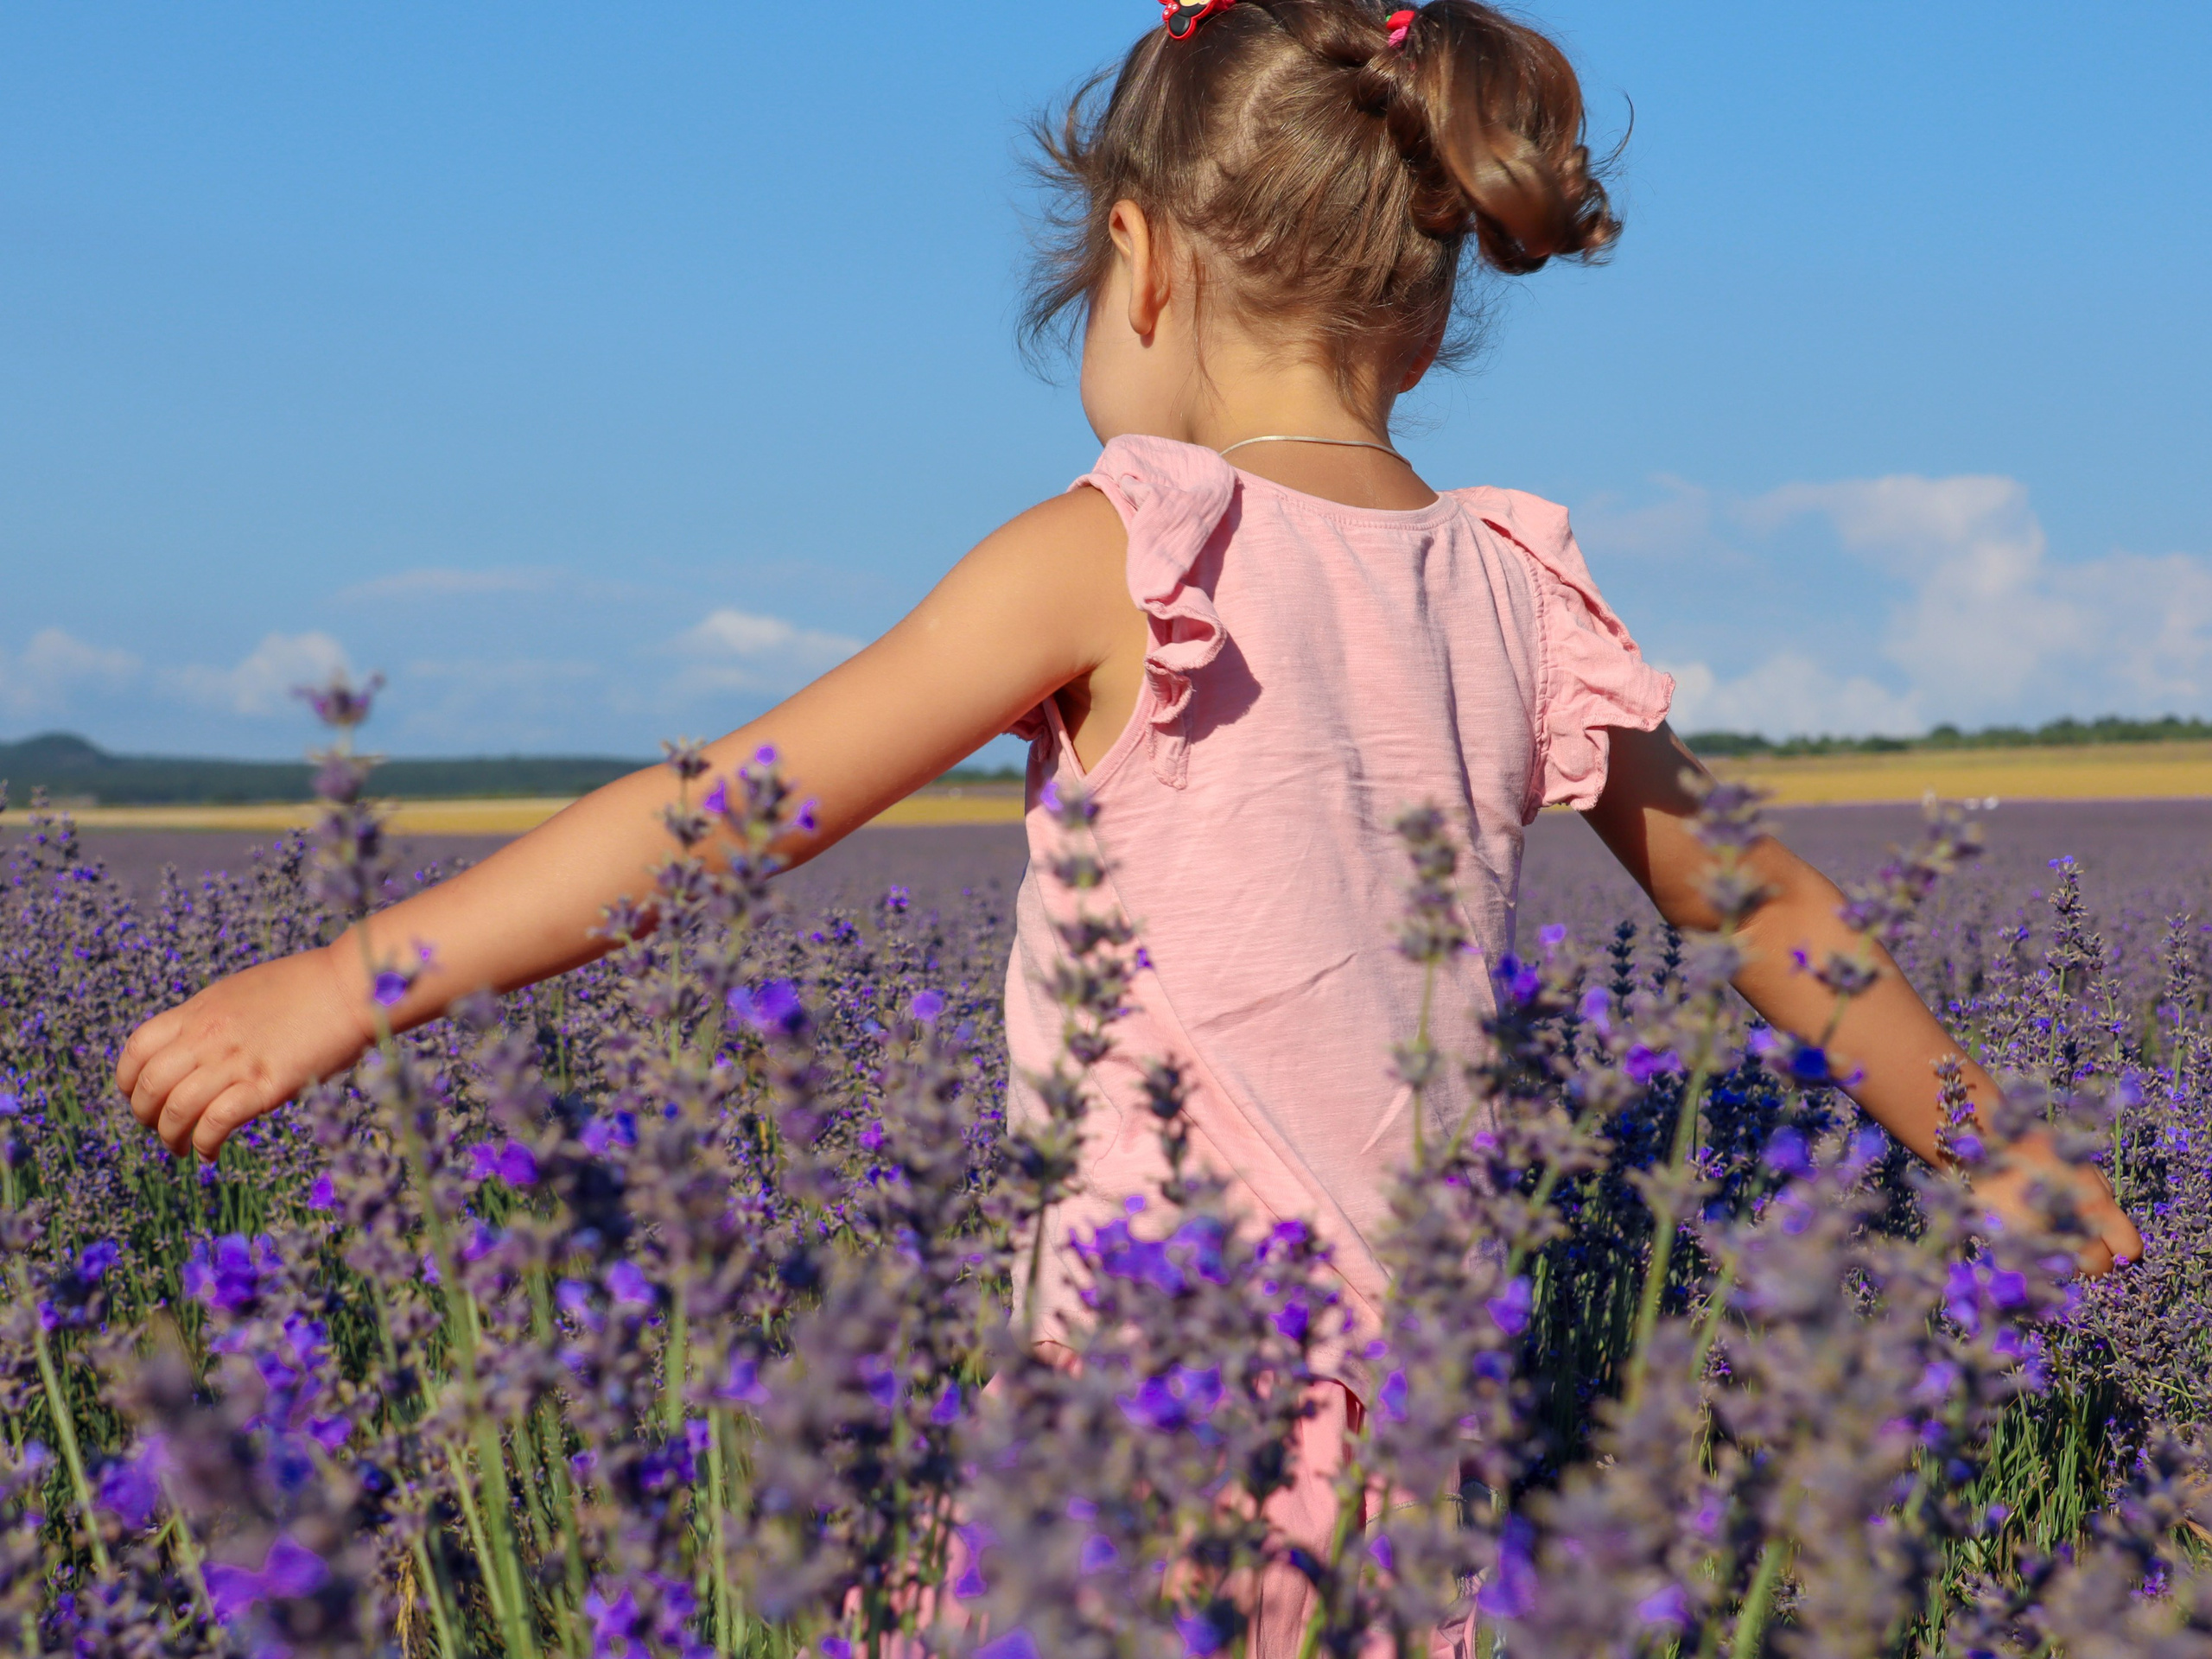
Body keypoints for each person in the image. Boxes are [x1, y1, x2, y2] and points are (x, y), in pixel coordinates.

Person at [117, 0, 2140, 1647]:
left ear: (1140, 264)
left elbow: (720, 817)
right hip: (1412, 1391)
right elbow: (1762, 902)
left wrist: (345, 982)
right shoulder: (1519, 582)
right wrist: (1992, 1141)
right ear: (1426, 308)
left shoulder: (1120, 550)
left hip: (1153, 1384)